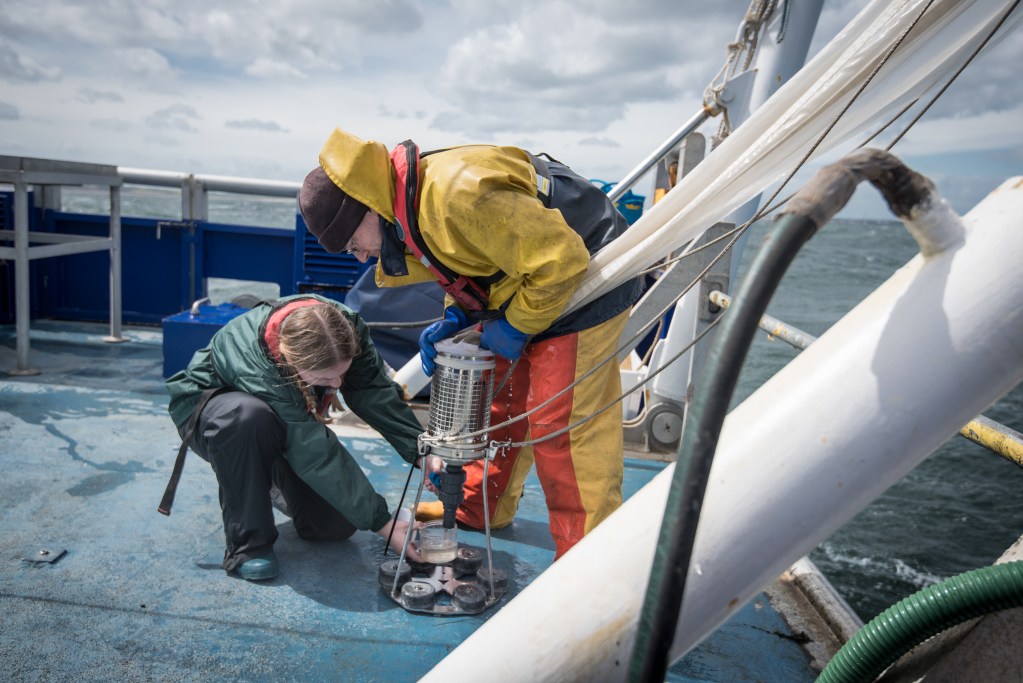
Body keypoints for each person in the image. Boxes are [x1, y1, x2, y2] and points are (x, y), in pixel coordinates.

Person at [298, 128, 642, 559]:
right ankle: (481, 506)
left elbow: (562, 261)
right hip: (530, 280)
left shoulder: (459, 192)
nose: (362, 257)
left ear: (366, 210)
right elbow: (471, 255)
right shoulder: (405, 208)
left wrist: (515, 326)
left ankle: (588, 557)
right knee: (498, 398)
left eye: (353, 245)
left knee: (561, 421)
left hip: (587, 275)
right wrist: (459, 313)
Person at [164, 293, 429, 581]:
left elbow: (373, 391)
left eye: (343, 373)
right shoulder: (256, 360)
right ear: (291, 361)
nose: (338, 384)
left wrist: (422, 451)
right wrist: (383, 523)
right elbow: (312, 448)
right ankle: (249, 547)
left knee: (333, 526)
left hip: (278, 422)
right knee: (248, 417)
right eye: (327, 380)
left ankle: (269, 477)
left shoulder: (342, 328)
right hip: (214, 413)